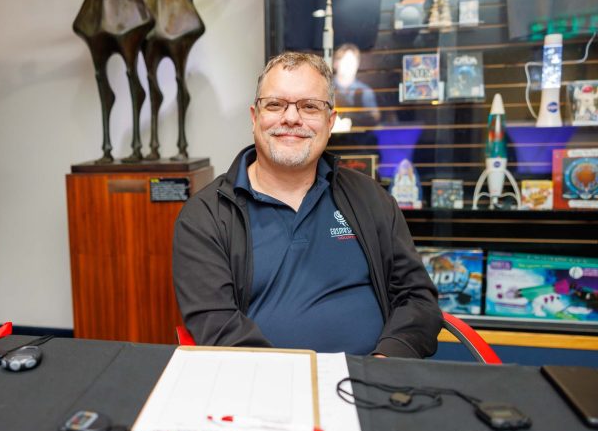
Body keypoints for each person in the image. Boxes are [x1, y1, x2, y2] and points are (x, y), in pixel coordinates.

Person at [172, 52, 441, 357]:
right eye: (275, 104)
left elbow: (417, 299)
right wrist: (295, 379)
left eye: (309, 106)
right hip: (265, 381)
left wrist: (385, 361)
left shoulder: (369, 198)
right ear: (255, 117)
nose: (291, 118)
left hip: (373, 379)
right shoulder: (205, 217)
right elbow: (217, 325)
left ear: (330, 122)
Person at [332, 43, 380, 126]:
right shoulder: (326, 87)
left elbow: (375, 117)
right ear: (335, 63)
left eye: (353, 62)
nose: (350, 66)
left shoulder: (365, 91)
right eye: (346, 61)